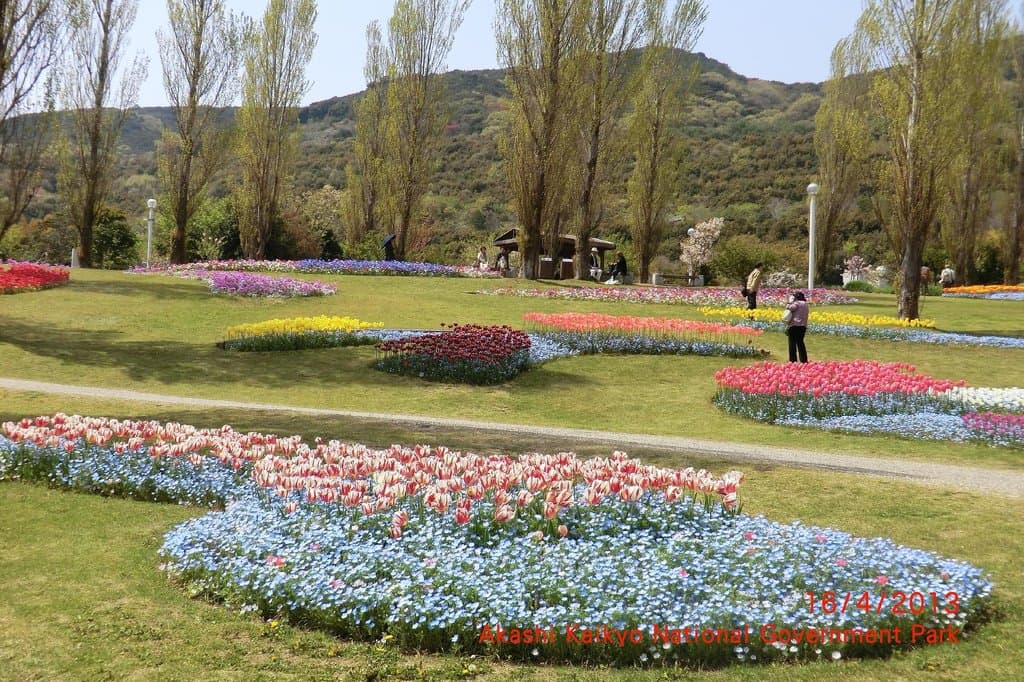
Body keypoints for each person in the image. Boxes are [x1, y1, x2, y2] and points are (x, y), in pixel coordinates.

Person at [785, 291, 809, 363]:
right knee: (800, 343)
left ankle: (793, 360)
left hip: (794, 325)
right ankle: (804, 360)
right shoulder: (806, 304)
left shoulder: (797, 303)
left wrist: (788, 302)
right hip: (803, 326)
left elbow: (789, 308)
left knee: (792, 343)